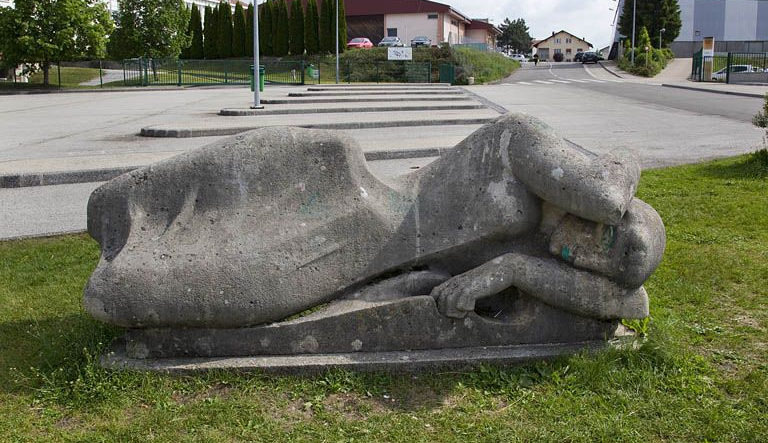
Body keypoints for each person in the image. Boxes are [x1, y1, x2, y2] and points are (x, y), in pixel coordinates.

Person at [84, 114, 664, 329]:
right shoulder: (523, 141)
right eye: (605, 237)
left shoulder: (538, 255)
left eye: (598, 265)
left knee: (127, 291)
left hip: (347, 250)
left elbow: (626, 303)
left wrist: (514, 267)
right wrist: (618, 164)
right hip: (339, 187)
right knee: (144, 203)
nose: (585, 252)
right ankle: (120, 214)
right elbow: (611, 194)